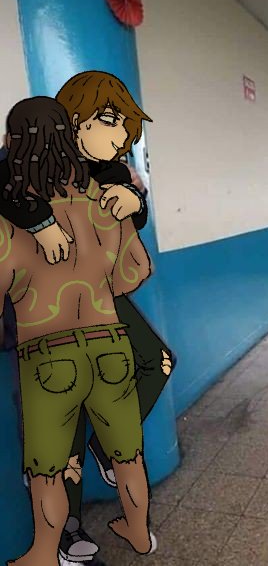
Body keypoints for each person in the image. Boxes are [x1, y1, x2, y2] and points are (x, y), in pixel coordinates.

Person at [0, 71, 176, 564]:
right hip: (89, 323)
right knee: (76, 433)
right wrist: (42, 223)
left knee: (152, 366)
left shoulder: (110, 173)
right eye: (111, 123)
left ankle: (55, 538)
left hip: (60, 331)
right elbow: (134, 267)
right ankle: (77, 531)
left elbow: (132, 224)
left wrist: (136, 201)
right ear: (73, 121)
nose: (122, 140)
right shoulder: (23, 170)